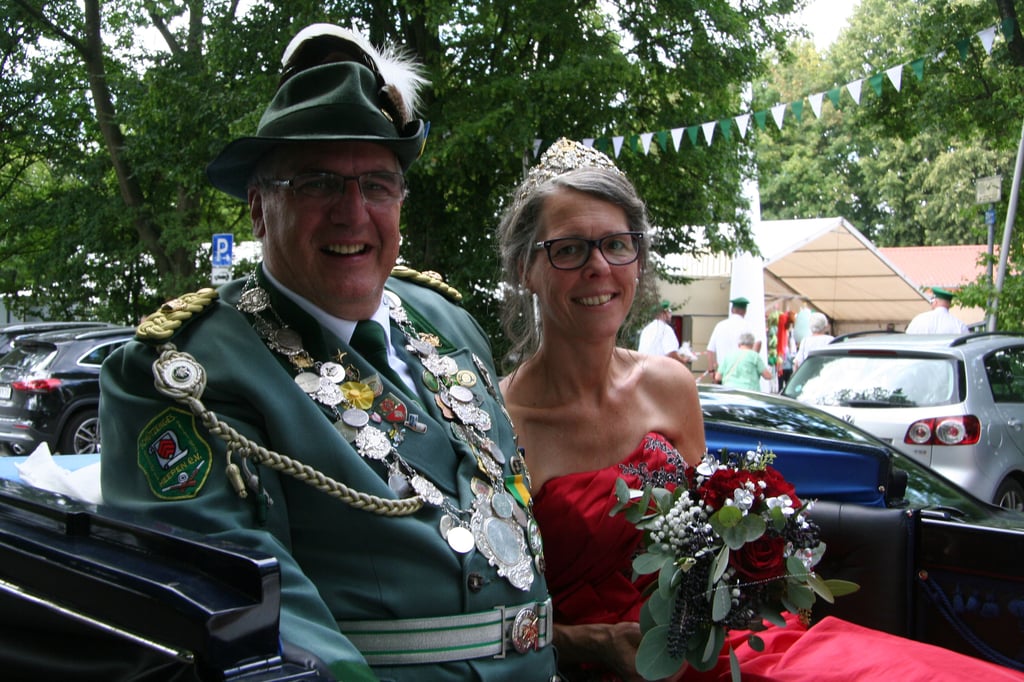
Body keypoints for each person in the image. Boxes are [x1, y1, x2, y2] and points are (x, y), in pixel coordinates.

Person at [99, 24, 557, 682]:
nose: (352, 213)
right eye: (317, 183)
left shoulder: (445, 320)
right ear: (259, 210)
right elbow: (246, 618)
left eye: (377, 185)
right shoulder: (184, 375)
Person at [495, 139, 1024, 682]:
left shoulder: (671, 385)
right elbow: (482, 618)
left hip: (735, 646)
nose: (599, 266)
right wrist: (598, 641)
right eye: (569, 249)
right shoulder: (496, 423)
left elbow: (706, 541)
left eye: (616, 244)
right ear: (523, 268)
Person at [706, 296, 757, 379]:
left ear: (732, 310)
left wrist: (711, 371)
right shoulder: (748, 326)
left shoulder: (720, 325)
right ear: (745, 311)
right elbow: (757, 343)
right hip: (742, 372)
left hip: (722, 372)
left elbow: (710, 351)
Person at [637, 300, 693, 365]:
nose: (671, 314)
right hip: (658, 369)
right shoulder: (666, 329)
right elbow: (671, 353)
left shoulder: (646, 329)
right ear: (663, 313)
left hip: (643, 367)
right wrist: (683, 360)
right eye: (669, 312)